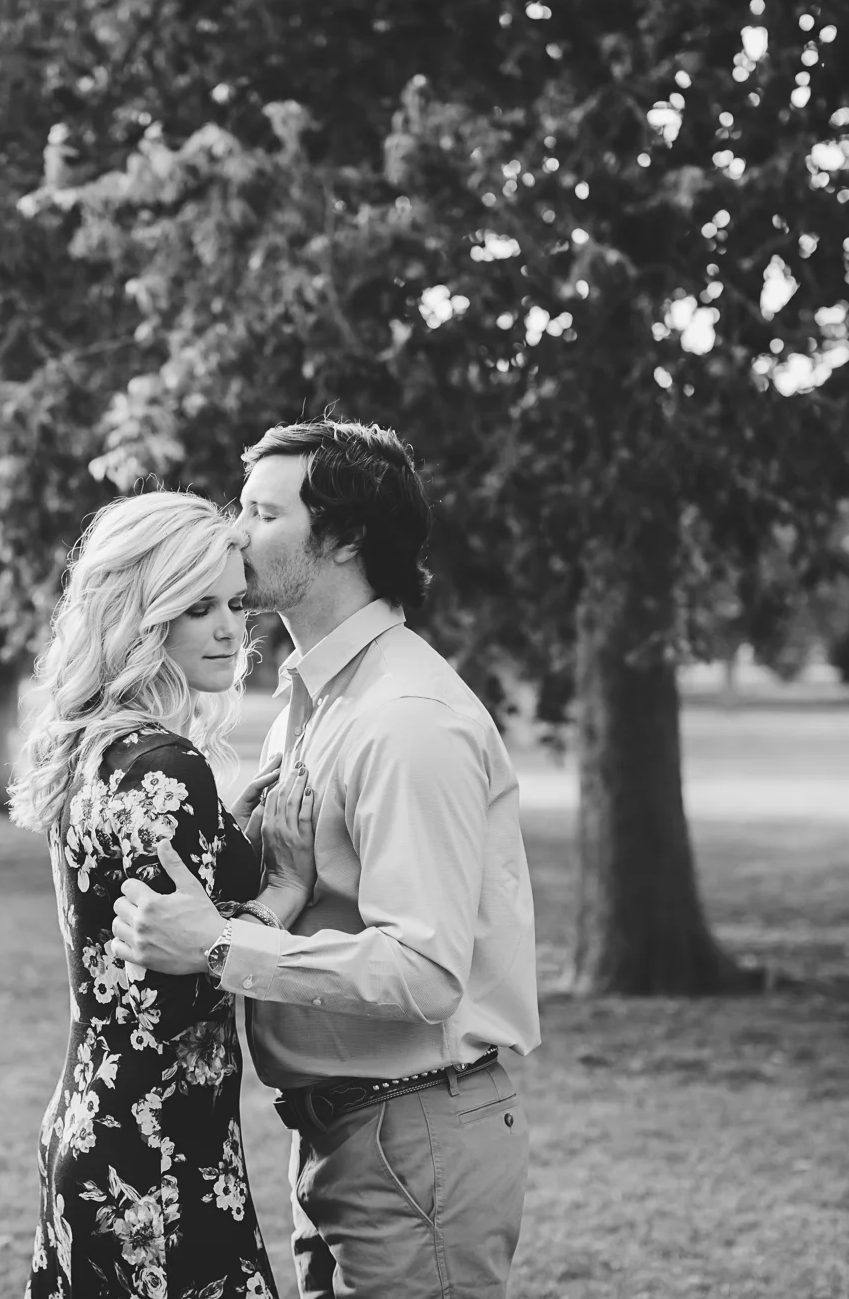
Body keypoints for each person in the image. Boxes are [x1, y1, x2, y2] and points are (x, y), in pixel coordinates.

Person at [111, 420, 541, 1299]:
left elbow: (426, 970)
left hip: (416, 1133)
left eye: (263, 513)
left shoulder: (406, 718)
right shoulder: (309, 707)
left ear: (344, 538)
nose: (234, 532)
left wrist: (219, 945)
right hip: (340, 1131)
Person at [12, 490, 320, 1299]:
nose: (230, 630)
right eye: (197, 608)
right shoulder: (167, 768)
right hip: (155, 1165)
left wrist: (228, 830)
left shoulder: (99, 745)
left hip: (98, 1127)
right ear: (141, 617)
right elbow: (183, 979)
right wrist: (284, 890)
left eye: (235, 604)